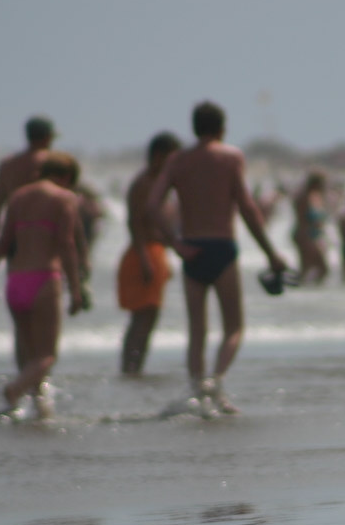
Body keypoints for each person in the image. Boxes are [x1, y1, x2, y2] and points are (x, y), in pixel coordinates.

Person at [146, 101, 288, 414]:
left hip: (192, 249)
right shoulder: (231, 157)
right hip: (222, 247)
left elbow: (152, 204)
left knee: (197, 331)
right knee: (233, 327)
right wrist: (270, 253)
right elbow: (247, 208)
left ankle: (199, 393)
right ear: (222, 128)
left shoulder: (177, 160)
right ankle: (216, 380)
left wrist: (175, 243)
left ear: (194, 127)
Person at [0, 151, 85, 417]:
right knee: (47, 356)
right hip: (44, 279)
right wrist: (76, 288)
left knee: (29, 355)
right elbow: (66, 244)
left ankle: (37, 409)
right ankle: (14, 390)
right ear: (65, 177)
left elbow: (1, 244)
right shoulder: (64, 198)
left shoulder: (18, 196)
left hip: (15, 281)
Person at [117, 132, 182, 375]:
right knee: (141, 318)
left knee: (149, 317)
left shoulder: (159, 183)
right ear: (158, 156)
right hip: (142, 253)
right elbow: (134, 222)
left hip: (154, 252)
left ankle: (135, 369)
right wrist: (145, 260)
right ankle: (130, 369)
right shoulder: (143, 183)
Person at [0, 115, 56, 267]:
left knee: (18, 278)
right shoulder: (54, 163)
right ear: (48, 137)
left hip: (15, 234)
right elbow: (69, 206)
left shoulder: (8, 165)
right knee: (48, 278)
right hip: (47, 234)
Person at [291, 170, 330, 284]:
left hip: (313, 236)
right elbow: (303, 220)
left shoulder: (314, 197)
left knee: (309, 269)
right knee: (320, 268)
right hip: (305, 235)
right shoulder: (304, 198)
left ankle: (305, 289)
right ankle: (305, 290)